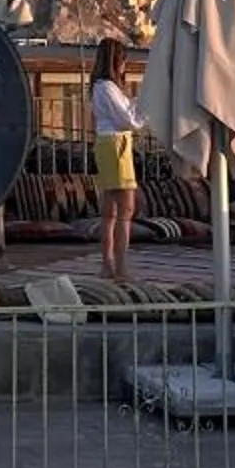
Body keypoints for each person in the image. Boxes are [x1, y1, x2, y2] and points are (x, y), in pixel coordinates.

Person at [89, 35, 145, 283]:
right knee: (124, 210)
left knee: (111, 211)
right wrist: (144, 110)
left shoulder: (101, 88)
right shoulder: (107, 89)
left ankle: (108, 264)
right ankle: (120, 266)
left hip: (109, 144)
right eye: (123, 61)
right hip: (115, 145)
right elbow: (127, 120)